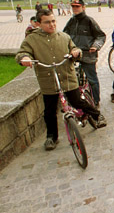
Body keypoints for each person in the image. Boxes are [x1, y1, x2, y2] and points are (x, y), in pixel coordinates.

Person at [16, 9, 107, 151]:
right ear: (39, 24)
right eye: (47, 22)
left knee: (77, 101)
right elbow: (22, 52)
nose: (52, 25)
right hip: (48, 80)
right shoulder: (31, 40)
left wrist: (75, 52)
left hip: (67, 76)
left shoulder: (64, 36)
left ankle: (97, 115)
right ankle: (52, 137)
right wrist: (24, 58)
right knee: (50, 111)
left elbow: (75, 49)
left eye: (53, 21)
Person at [63, 0, 106, 108]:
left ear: (83, 7)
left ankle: (95, 101)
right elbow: (64, 36)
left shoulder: (89, 20)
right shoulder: (71, 21)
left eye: (77, 6)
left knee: (92, 79)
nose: (75, 9)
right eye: (73, 6)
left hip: (87, 54)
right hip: (74, 55)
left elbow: (101, 36)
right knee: (70, 79)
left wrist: (95, 46)